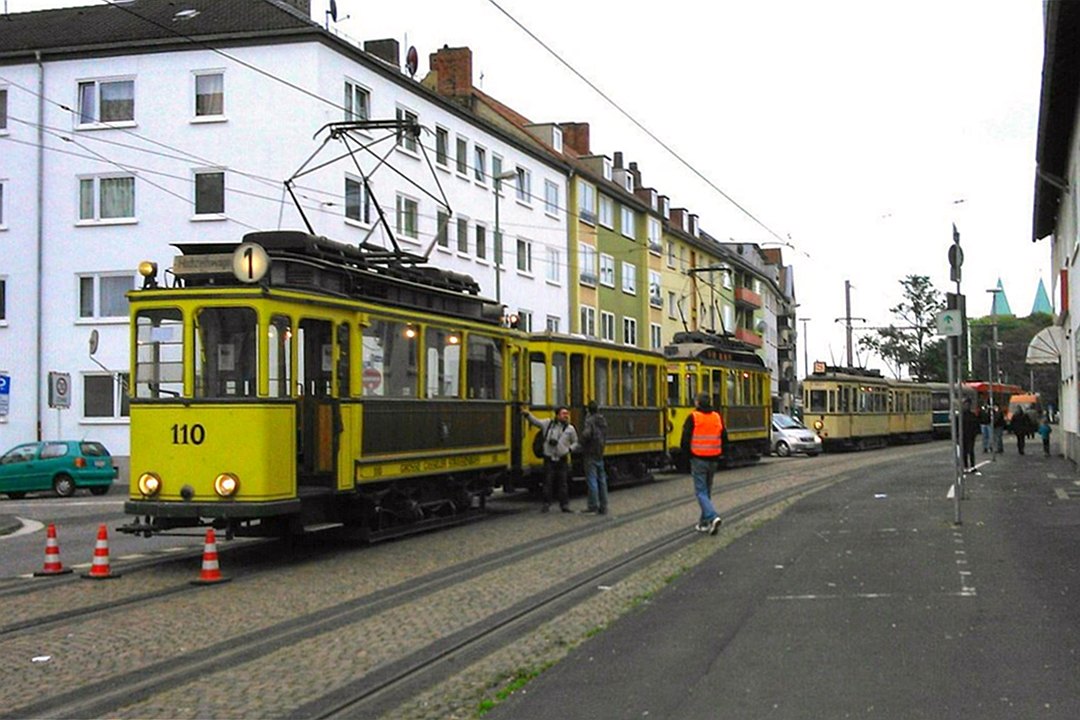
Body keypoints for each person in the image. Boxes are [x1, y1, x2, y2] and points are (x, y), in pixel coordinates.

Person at [680, 392, 726, 535]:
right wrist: (719, 453)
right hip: (713, 459)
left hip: (698, 459)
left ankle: (712, 517)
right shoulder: (717, 417)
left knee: (701, 492)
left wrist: (687, 457)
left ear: (698, 403)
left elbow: (685, 440)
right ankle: (704, 523)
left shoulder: (693, 417)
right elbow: (725, 437)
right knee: (707, 491)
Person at [522, 405, 578, 513]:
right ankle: (546, 504)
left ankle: (564, 505)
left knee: (563, 483)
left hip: (562, 459)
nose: (566, 416)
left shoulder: (570, 429)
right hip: (549, 459)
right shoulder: (548, 424)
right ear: (557, 415)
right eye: (563, 414)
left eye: (567, 414)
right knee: (548, 482)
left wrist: (570, 449)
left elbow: (576, 441)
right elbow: (536, 422)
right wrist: (527, 415)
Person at [575, 400, 609, 515]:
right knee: (602, 480)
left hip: (590, 452)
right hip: (600, 452)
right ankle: (604, 506)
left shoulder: (590, 421)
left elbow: (586, 434)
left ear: (588, 410)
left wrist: (580, 443)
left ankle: (593, 505)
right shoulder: (603, 420)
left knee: (592, 480)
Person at [956, 399, 980, 473]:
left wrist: (975, 434)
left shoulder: (964, 416)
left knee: (970, 451)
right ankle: (966, 466)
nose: (967, 406)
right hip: (964, 436)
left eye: (968, 405)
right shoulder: (961, 416)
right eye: (966, 405)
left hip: (969, 436)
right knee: (965, 452)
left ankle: (971, 466)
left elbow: (976, 425)